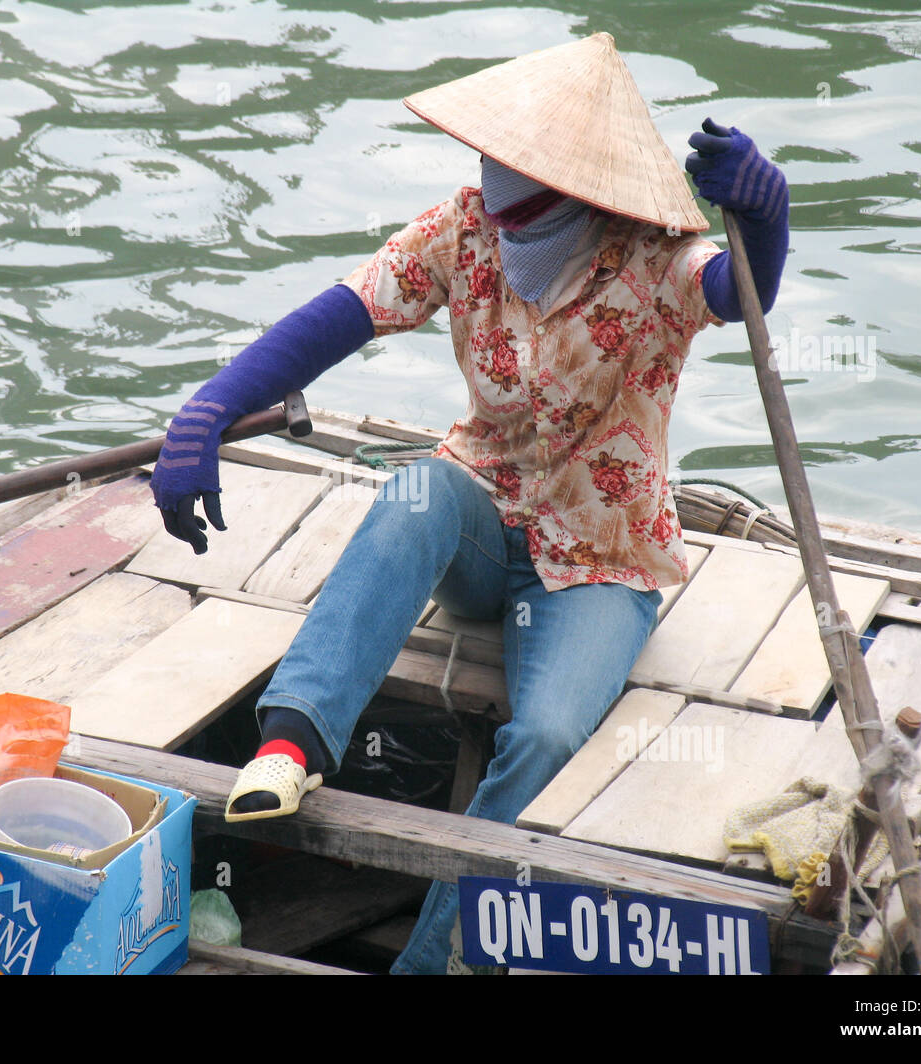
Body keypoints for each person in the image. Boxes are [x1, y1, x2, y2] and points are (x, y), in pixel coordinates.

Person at [150, 32, 789, 974]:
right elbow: (338, 316)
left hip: (601, 556)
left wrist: (764, 218)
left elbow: (742, 292)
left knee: (544, 736)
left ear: (579, 190)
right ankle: (290, 745)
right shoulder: (463, 229)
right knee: (416, 490)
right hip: (485, 516)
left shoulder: (658, 262)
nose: (493, 185)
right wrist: (203, 414)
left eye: (519, 171)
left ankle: (441, 952)